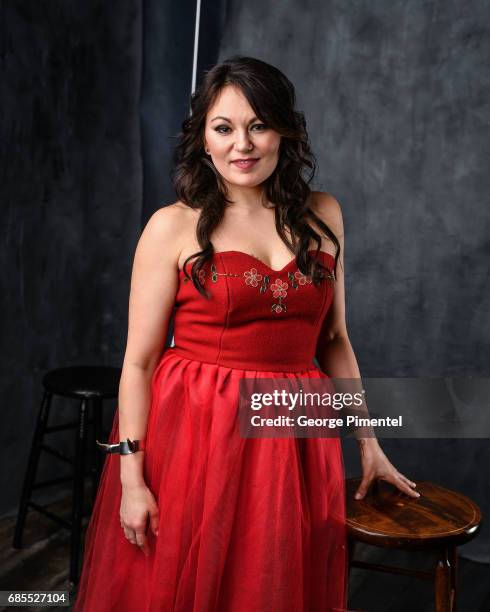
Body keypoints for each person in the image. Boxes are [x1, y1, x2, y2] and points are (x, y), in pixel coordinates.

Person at [73, 55, 419, 612]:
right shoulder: (172, 226)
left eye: (258, 124)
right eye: (224, 128)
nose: (243, 144)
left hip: (291, 428)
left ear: (284, 129)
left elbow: (334, 339)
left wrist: (369, 443)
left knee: (272, 581)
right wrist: (131, 478)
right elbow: (138, 363)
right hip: (195, 429)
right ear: (203, 139)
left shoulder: (324, 214)